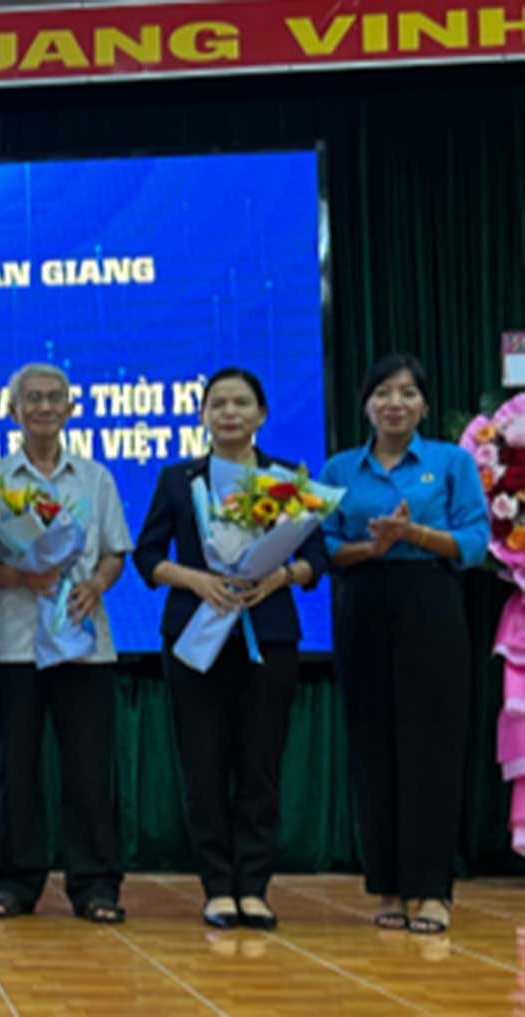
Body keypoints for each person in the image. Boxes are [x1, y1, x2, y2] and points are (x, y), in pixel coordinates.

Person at [132, 367, 328, 931]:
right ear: (203, 415)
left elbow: (317, 556)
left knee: (260, 765)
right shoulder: (179, 479)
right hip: (195, 638)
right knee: (203, 764)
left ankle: (255, 888)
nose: (230, 413)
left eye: (241, 403)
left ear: (262, 414)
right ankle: (217, 887)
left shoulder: (287, 478)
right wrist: (197, 581)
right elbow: (147, 558)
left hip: (268, 636)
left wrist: (280, 575)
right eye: (218, 404)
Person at [320, 353, 485, 936]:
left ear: (424, 405)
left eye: (408, 393)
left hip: (431, 605)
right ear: (365, 404)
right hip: (362, 604)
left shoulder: (451, 462)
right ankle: (389, 886)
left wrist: (412, 534)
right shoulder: (340, 468)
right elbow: (324, 548)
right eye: (383, 393)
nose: (395, 403)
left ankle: (432, 889)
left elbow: (474, 541)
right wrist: (374, 547)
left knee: (432, 746)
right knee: (373, 746)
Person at [0, 363, 132, 924]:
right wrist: (20, 578)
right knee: (14, 770)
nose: (43, 406)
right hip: (14, 644)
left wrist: (96, 583)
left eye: (53, 398)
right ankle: (17, 882)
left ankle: (94, 885)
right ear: (12, 410)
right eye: (31, 398)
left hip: (84, 645)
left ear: (69, 408)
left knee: (89, 770)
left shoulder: (94, 479)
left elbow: (116, 550)